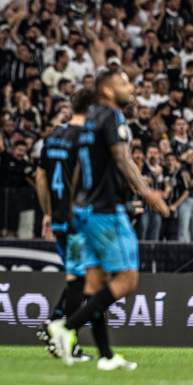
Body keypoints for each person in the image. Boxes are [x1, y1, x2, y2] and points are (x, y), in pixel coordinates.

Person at [48, 70, 169, 369]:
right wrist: (147, 191)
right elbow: (122, 157)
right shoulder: (113, 117)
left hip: (85, 211)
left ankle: (105, 356)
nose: (131, 87)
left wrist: (75, 205)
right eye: (124, 82)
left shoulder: (89, 121)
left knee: (94, 285)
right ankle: (66, 327)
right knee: (127, 280)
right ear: (106, 90)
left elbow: (77, 170)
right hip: (106, 211)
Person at [35, 88, 96, 361]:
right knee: (81, 282)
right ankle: (62, 335)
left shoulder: (53, 136)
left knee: (78, 279)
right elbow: (85, 181)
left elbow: (40, 177)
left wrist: (47, 212)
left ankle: (54, 326)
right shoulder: (85, 138)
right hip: (78, 220)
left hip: (58, 219)